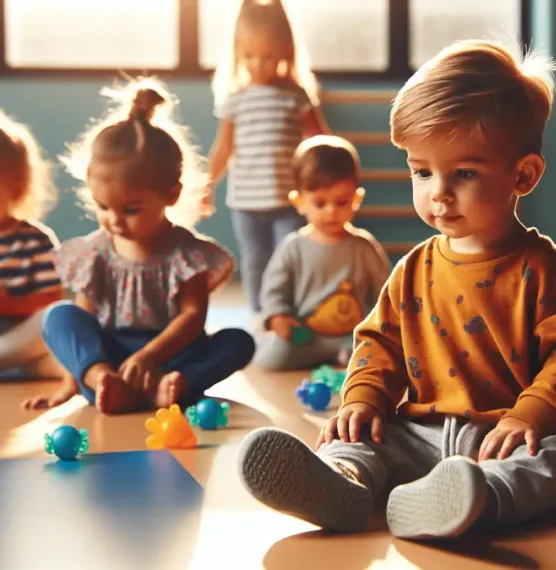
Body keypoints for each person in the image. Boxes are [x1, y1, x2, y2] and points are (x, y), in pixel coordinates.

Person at [236, 40, 556, 540]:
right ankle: (343, 484)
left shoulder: (545, 272)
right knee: (361, 437)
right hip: (419, 432)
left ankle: (479, 498)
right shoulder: (413, 269)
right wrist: (361, 400)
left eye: (464, 173)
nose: (438, 192)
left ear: (524, 174)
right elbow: (379, 343)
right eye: (422, 171)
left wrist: (531, 416)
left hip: (507, 436)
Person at [24, 79, 255, 414]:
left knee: (238, 341)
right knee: (59, 316)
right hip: (113, 358)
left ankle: (173, 386)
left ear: (171, 195)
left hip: (169, 355)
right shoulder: (96, 253)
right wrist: (71, 382)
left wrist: (150, 357)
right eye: (103, 207)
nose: (114, 221)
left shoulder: (185, 254)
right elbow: (84, 320)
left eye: (131, 210)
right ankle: (102, 381)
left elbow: (193, 318)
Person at [206, 0, 330, 317]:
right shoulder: (236, 99)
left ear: (285, 53)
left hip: (288, 200)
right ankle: (261, 315)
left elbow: (318, 140)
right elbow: (223, 148)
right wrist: (207, 185)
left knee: (290, 256)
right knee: (255, 258)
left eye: (268, 56)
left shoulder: (296, 95)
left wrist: (328, 179)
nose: (259, 64)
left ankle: (288, 311)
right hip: (246, 202)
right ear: (238, 54)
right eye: (250, 56)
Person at [254, 135, 390, 370]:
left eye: (342, 202)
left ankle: (344, 354)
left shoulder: (364, 246)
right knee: (269, 361)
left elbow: (385, 290)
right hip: (305, 336)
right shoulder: (293, 247)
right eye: (320, 203)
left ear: (356, 199)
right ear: (299, 202)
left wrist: (384, 324)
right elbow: (274, 289)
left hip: (353, 334)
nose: (331, 212)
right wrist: (277, 317)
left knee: (375, 355)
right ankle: (333, 356)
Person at [0, 110, 65, 383]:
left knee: (57, 318)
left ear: (14, 188)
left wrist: (8, 303)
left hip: (18, 341)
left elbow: (51, 299)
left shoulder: (35, 240)